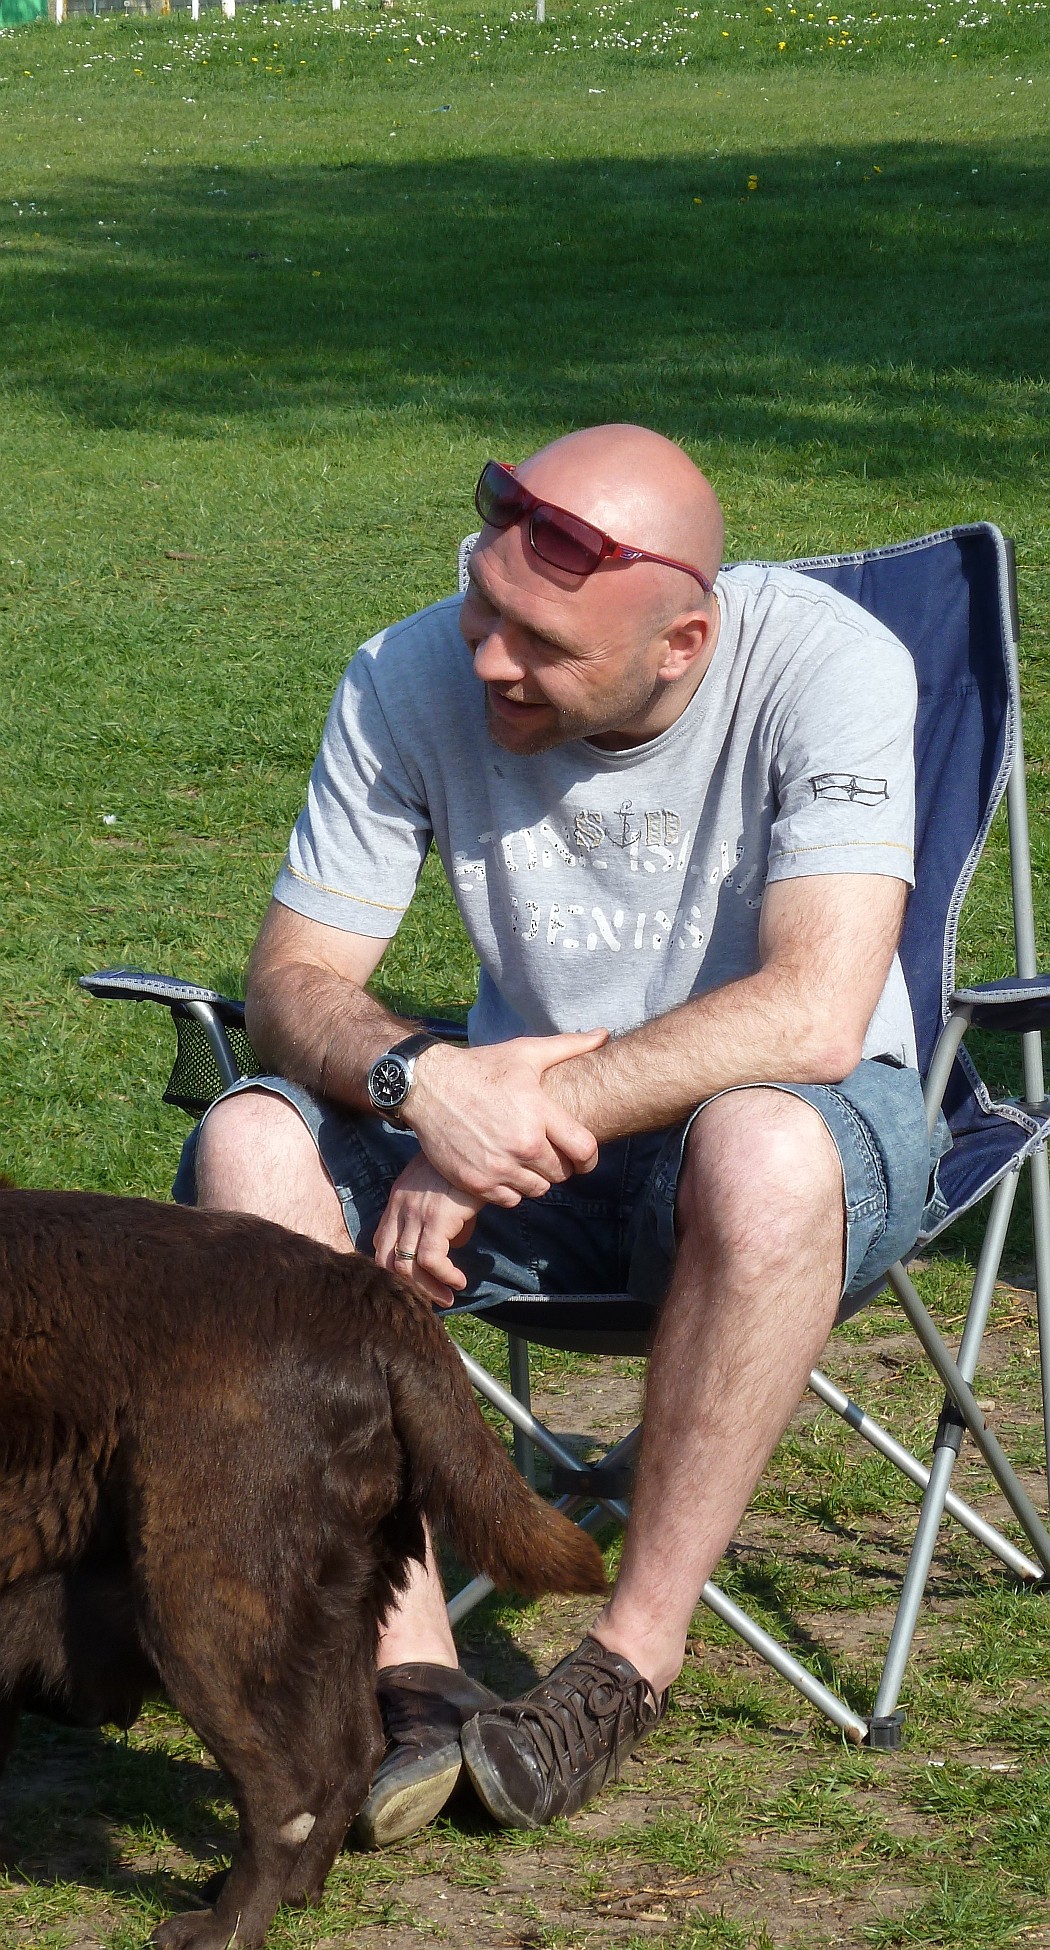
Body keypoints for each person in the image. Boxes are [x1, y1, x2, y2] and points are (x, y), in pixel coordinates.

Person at [176, 422, 938, 1846]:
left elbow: (814, 1010)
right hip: (510, 1154)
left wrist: (516, 1105)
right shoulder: (407, 670)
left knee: (766, 1149)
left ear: (682, 642)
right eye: (482, 604)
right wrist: (425, 1084)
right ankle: (413, 1674)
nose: (487, 661)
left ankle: (626, 1662)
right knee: (249, 1144)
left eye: (541, 643)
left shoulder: (828, 666)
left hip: (775, 1142)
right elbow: (290, 982)